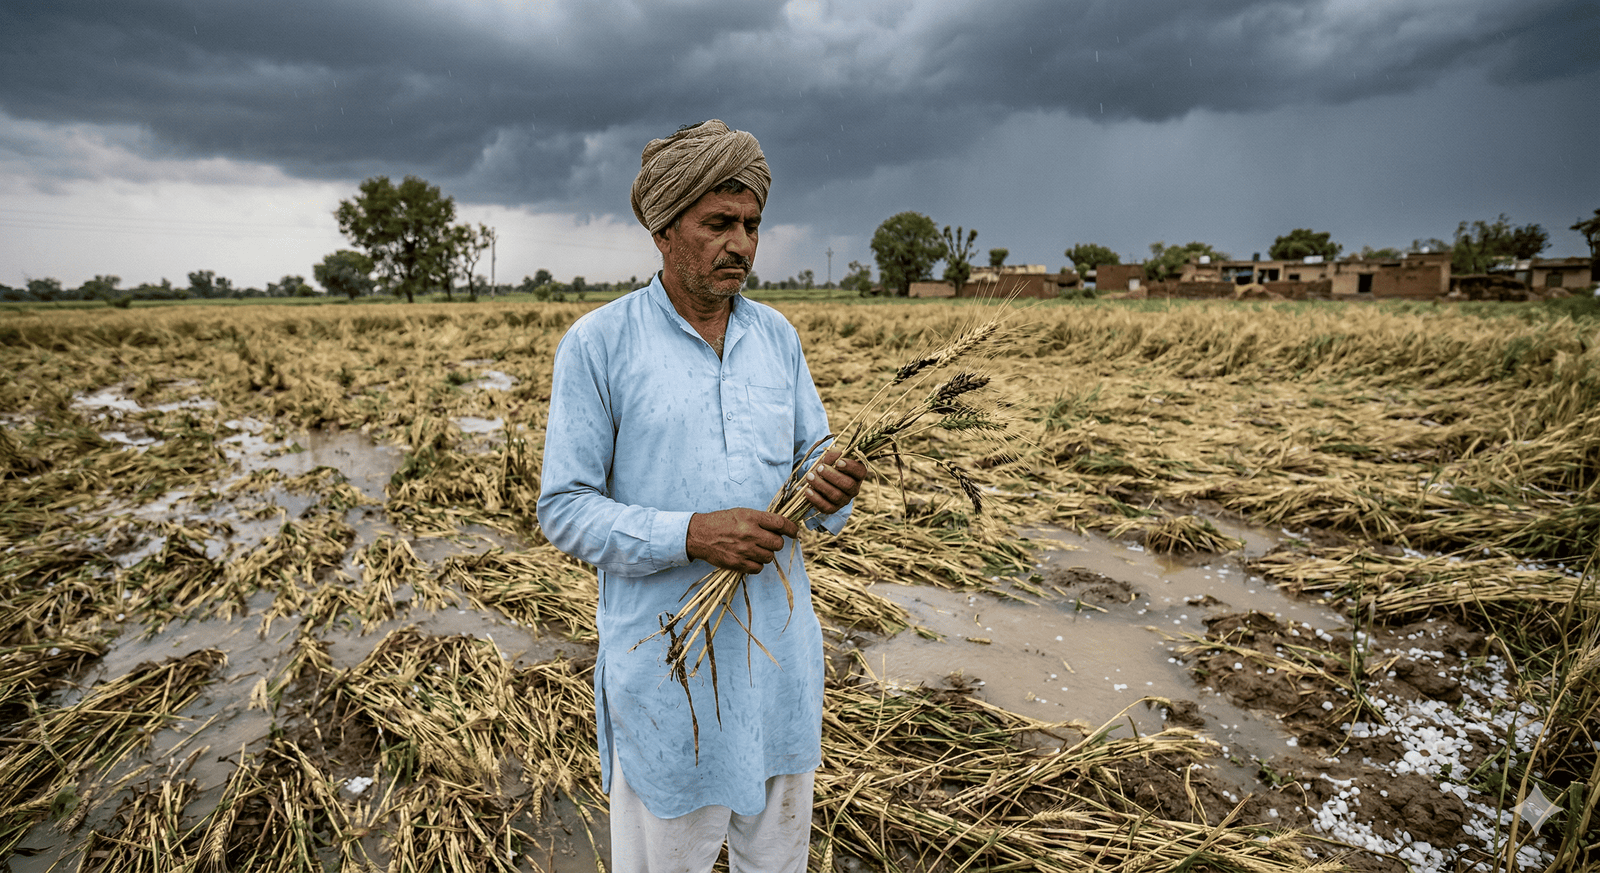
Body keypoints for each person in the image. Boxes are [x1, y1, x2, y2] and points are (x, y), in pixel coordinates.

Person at [537, 120, 867, 873]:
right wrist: (691, 534)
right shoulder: (599, 345)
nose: (742, 244)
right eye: (719, 223)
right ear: (663, 228)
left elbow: (811, 463)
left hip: (779, 662)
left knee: (776, 858)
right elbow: (564, 507)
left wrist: (835, 487)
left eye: (752, 225)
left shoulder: (777, 338)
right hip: (670, 668)